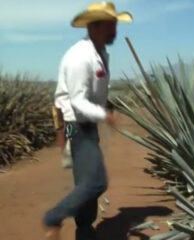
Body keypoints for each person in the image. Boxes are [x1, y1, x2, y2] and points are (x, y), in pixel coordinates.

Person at [43, 2, 132, 240]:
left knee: (86, 181)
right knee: (96, 182)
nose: (115, 31)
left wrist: (104, 107)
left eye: (115, 25)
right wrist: (106, 115)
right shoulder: (80, 57)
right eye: (111, 26)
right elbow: (78, 101)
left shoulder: (100, 52)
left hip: (86, 124)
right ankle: (54, 216)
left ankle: (84, 229)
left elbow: (93, 94)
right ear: (94, 26)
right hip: (76, 125)